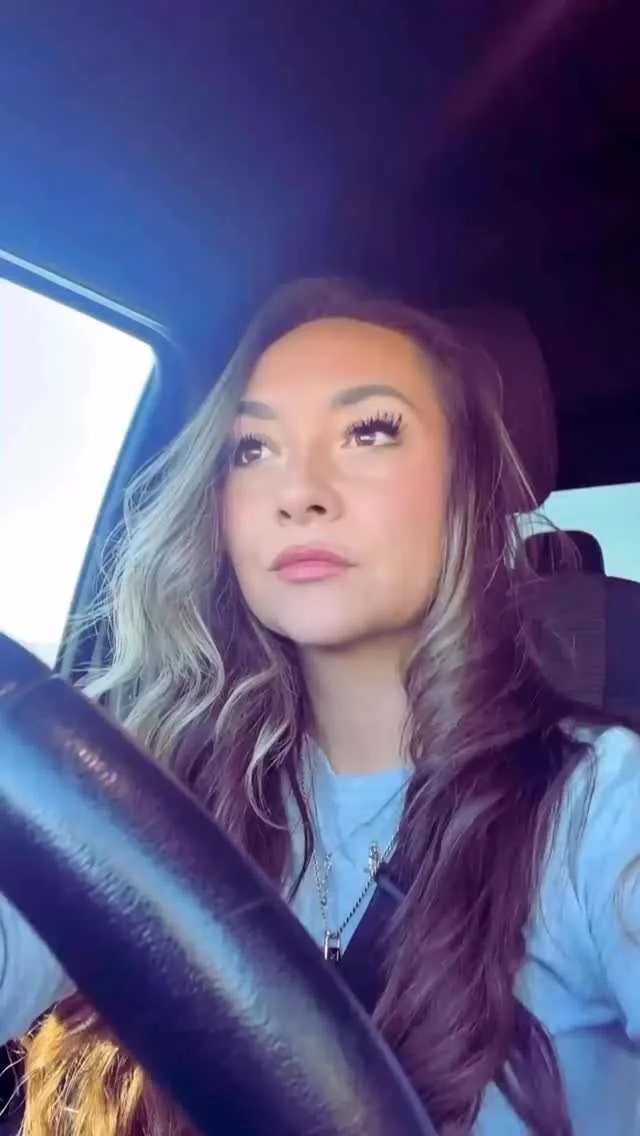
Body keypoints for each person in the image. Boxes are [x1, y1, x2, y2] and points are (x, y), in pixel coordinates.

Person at [2, 277, 639, 1135]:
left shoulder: (599, 804)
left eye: (369, 432)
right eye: (253, 448)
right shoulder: (151, 782)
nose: (298, 490)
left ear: (464, 491)